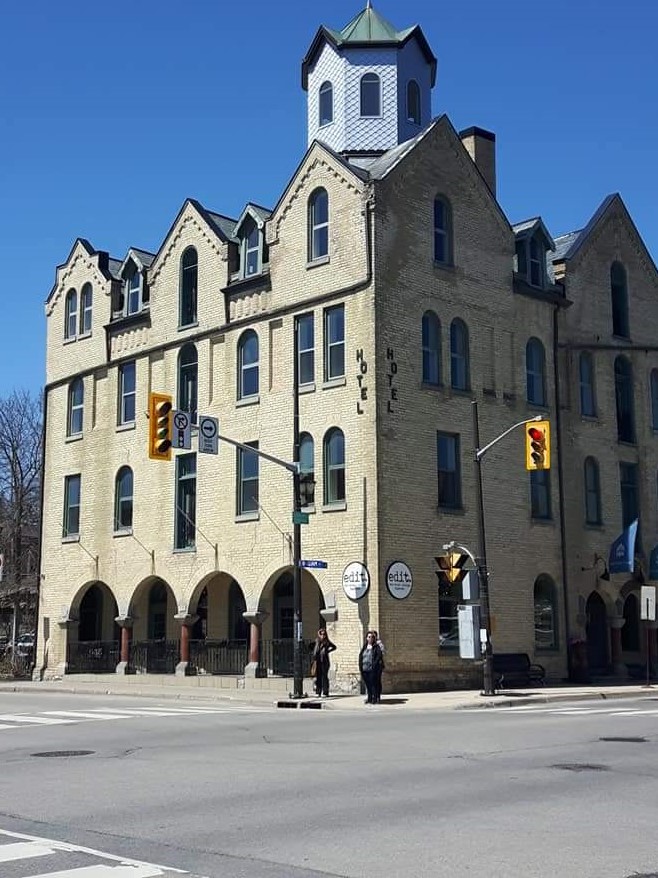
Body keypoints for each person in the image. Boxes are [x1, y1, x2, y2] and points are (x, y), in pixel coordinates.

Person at [359, 631, 384, 704]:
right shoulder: (364, 646)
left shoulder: (376, 647)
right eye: (369, 637)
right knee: (368, 684)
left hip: (372, 669)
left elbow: (379, 656)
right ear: (366, 638)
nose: (370, 638)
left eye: (372, 637)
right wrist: (360, 666)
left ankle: (375, 698)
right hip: (364, 668)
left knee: (374, 684)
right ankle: (369, 698)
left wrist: (374, 665)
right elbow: (361, 656)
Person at [312, 628, 336, 697]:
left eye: (324, 634)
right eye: (321, 634)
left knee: (324, 677)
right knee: (318, 677)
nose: (323, 635)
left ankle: (325, 692)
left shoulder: (327, 642)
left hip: (324, 661)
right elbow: (314, 650)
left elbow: (334, 647)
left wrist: (328, 651)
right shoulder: (317, 641)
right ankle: (318, 691)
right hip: (318, 661)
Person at [371, 629, 385, 703]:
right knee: (372, 682)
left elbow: (382, 654)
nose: (372, 638)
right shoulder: (369, 644)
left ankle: (378, 696)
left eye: (373, 636)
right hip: (371, 666)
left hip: (378, 666)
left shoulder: (379, 644)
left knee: (377, 681)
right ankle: (373, 696)